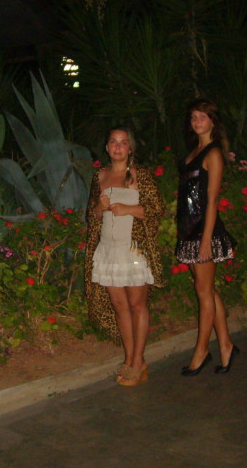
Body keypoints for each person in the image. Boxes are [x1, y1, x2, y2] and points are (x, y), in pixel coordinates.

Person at [84, 126, 165, 386]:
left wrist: (128, 209)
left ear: (130, 148)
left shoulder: (139, 175)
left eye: (123, 142)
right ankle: (129, 358)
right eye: (113, 142)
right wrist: (100, 207)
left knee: (137, 305)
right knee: (119, 306)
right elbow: (93, 217)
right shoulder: (100, 176)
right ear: (107, 147)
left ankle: (139, 361)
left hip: (133, 250)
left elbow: (156, 210)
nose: (118, 146)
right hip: (108, 250)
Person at [176, 99, 239, 376]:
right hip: (189, 229)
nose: (197, 121)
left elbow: (212, 201)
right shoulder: (195, 151)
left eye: (202, 116)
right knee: (208, 290)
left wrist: (205, 241)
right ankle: (225, 345)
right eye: (193, 117)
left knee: (204, 293)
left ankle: (201, 351)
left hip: (204, 231)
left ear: (213, 121)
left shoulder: (213, 153)